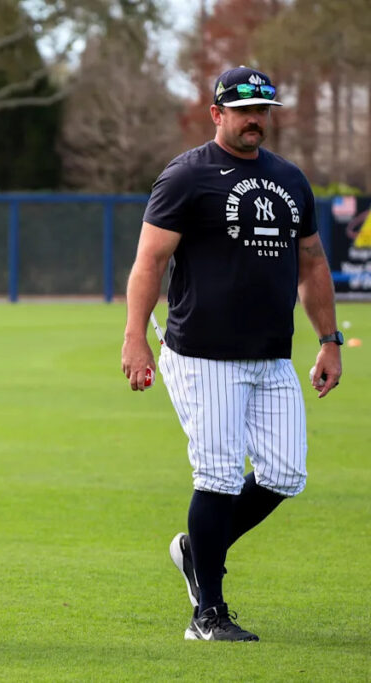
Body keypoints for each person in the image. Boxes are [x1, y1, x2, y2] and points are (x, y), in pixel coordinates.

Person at [121, 66, 343, 642]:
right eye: (243, 109)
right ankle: (208, 613)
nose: (255, 119)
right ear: (216, 113)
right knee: (217, 477)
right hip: (202, 355)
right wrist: (134, 337)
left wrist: (329, 341)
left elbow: (314, 263)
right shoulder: (187, 176)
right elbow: (150, 262)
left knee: (286, 474)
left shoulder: (290, 179)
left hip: (271, 356)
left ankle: (197, 548)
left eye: (262, 109)